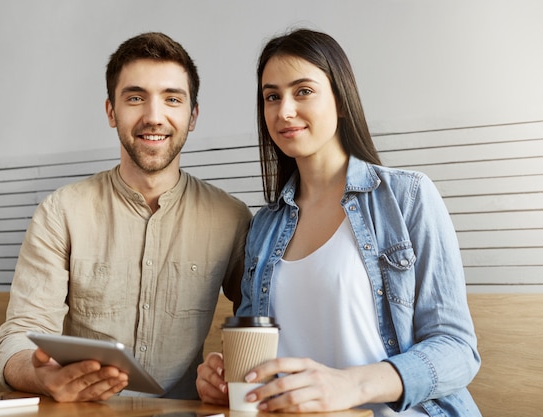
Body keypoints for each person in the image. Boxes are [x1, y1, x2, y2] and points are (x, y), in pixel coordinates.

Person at [196, 28, 481, 416]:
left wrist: (352, 384)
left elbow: (457, 350)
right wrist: (228, 381)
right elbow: (257, 363)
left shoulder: (408, 197)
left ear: (341, 100)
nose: (284, 111)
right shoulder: (263, 226)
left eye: (303, 91)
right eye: (272, 96)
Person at [0, 32, 252, 402]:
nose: (153, 117)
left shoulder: (232, 218)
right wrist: (40, 376)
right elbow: (19, 334)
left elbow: (263, 317)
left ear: (192, 115)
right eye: (135, 98)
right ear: (111, 112)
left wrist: (229, 370)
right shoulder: (61, 212)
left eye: (172, 99)